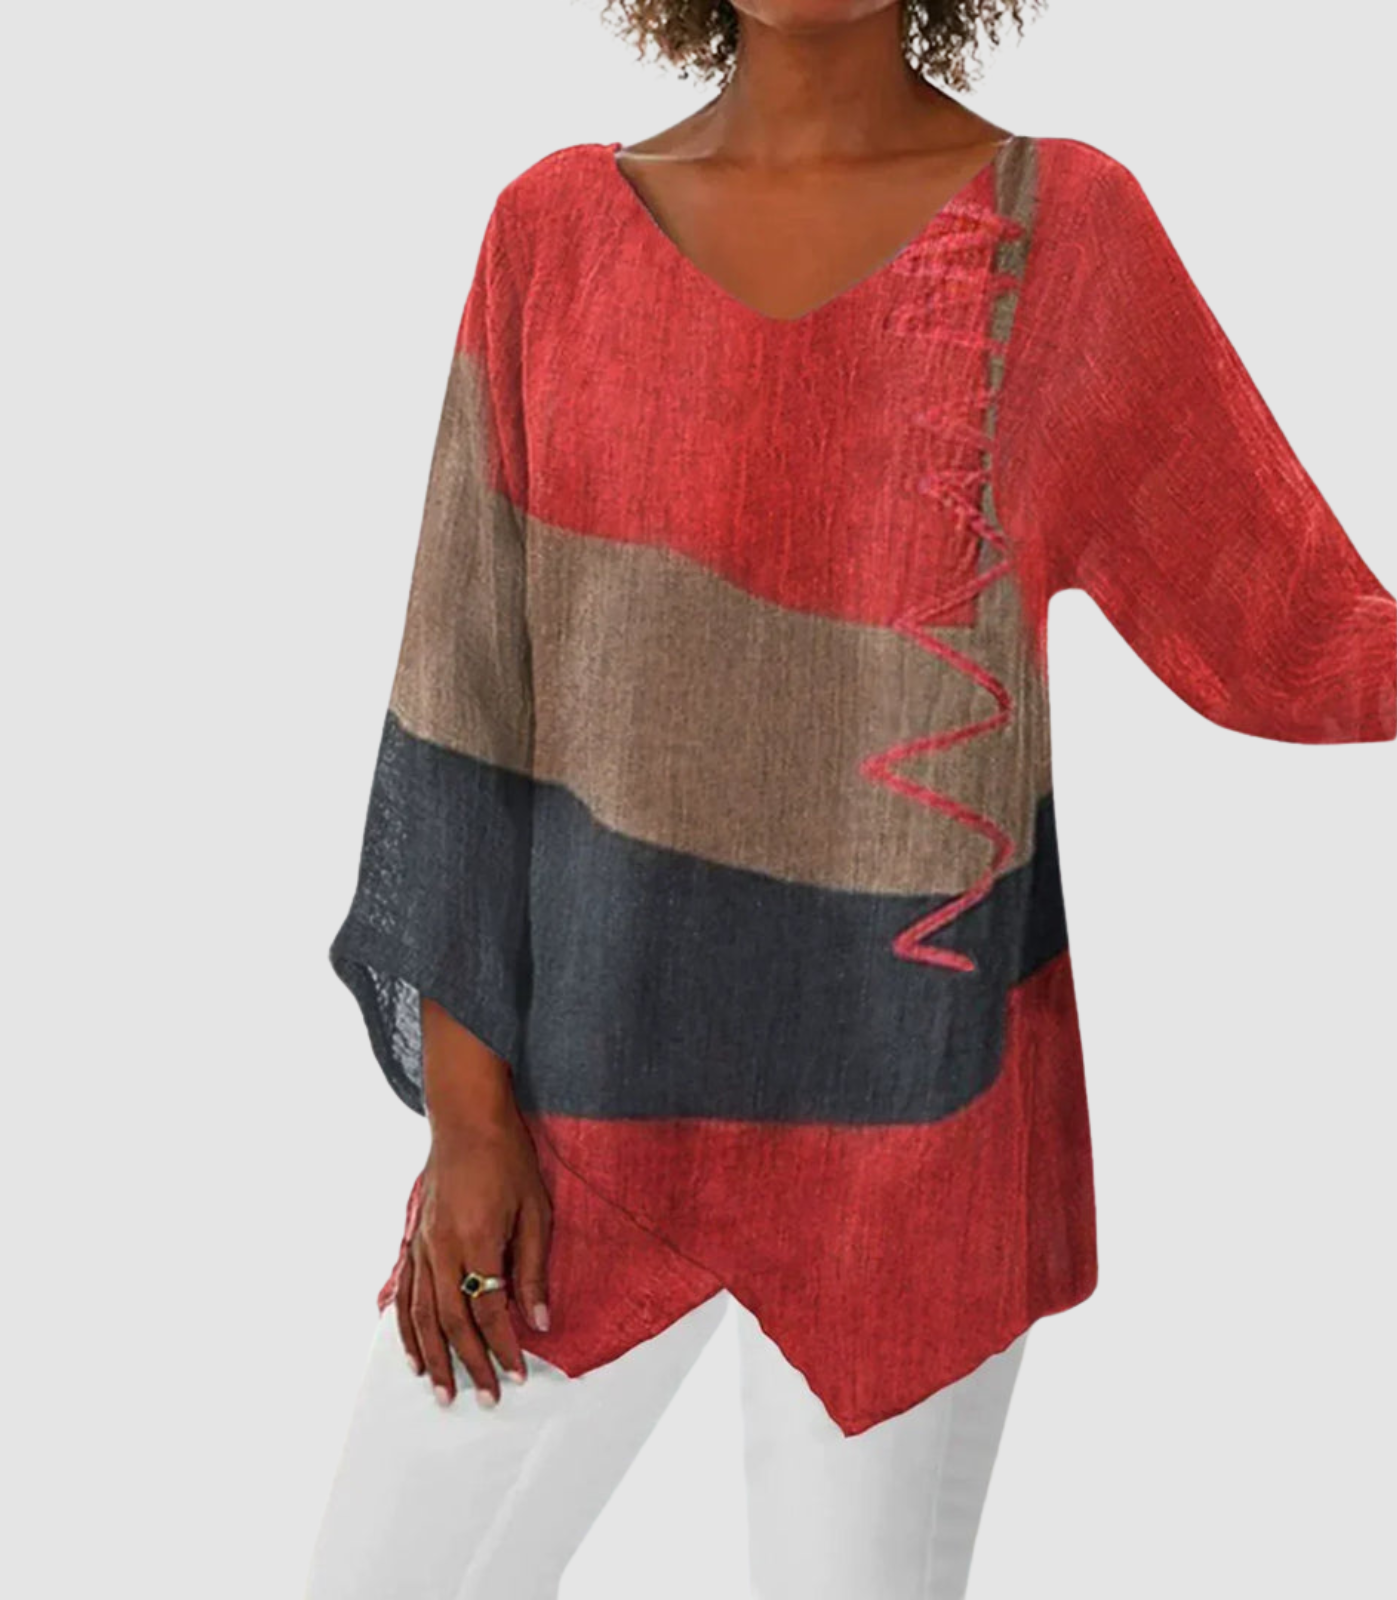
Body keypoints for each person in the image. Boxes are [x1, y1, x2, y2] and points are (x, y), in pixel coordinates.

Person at [309, 3, 1397, 1596]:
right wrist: (470, 1126)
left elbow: (1290, 626)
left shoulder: (1065, 232)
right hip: (586, 1113)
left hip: (916, 1135)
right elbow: (466, 693)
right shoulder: (551, 234)